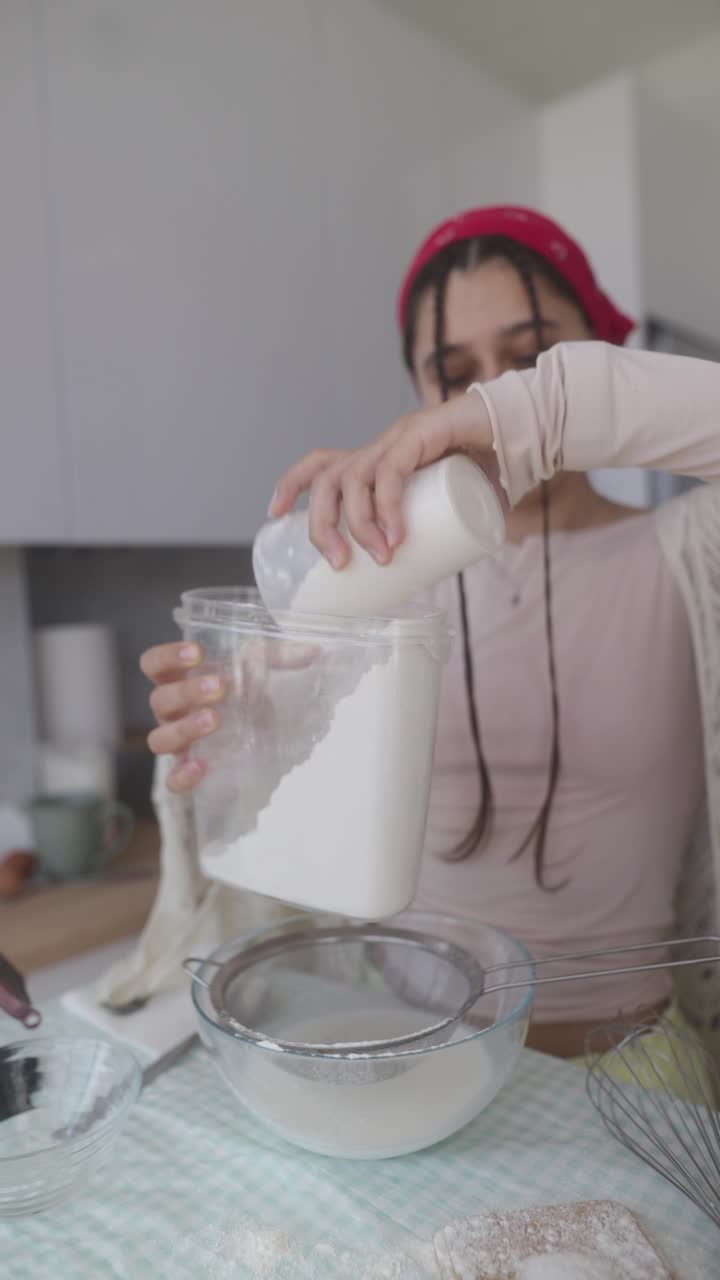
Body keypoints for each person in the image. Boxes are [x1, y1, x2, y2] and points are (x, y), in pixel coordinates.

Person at [141, 207, 720, 1076]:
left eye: (528, 361)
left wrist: (537, 414)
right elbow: (277, 817)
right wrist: (237, 737)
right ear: (420, 396)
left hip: (627, 1066)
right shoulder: (379, 593)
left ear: (597, 357)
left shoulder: (688, 553)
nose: (488, 395)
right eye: (456, 375)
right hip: (396, 1045)